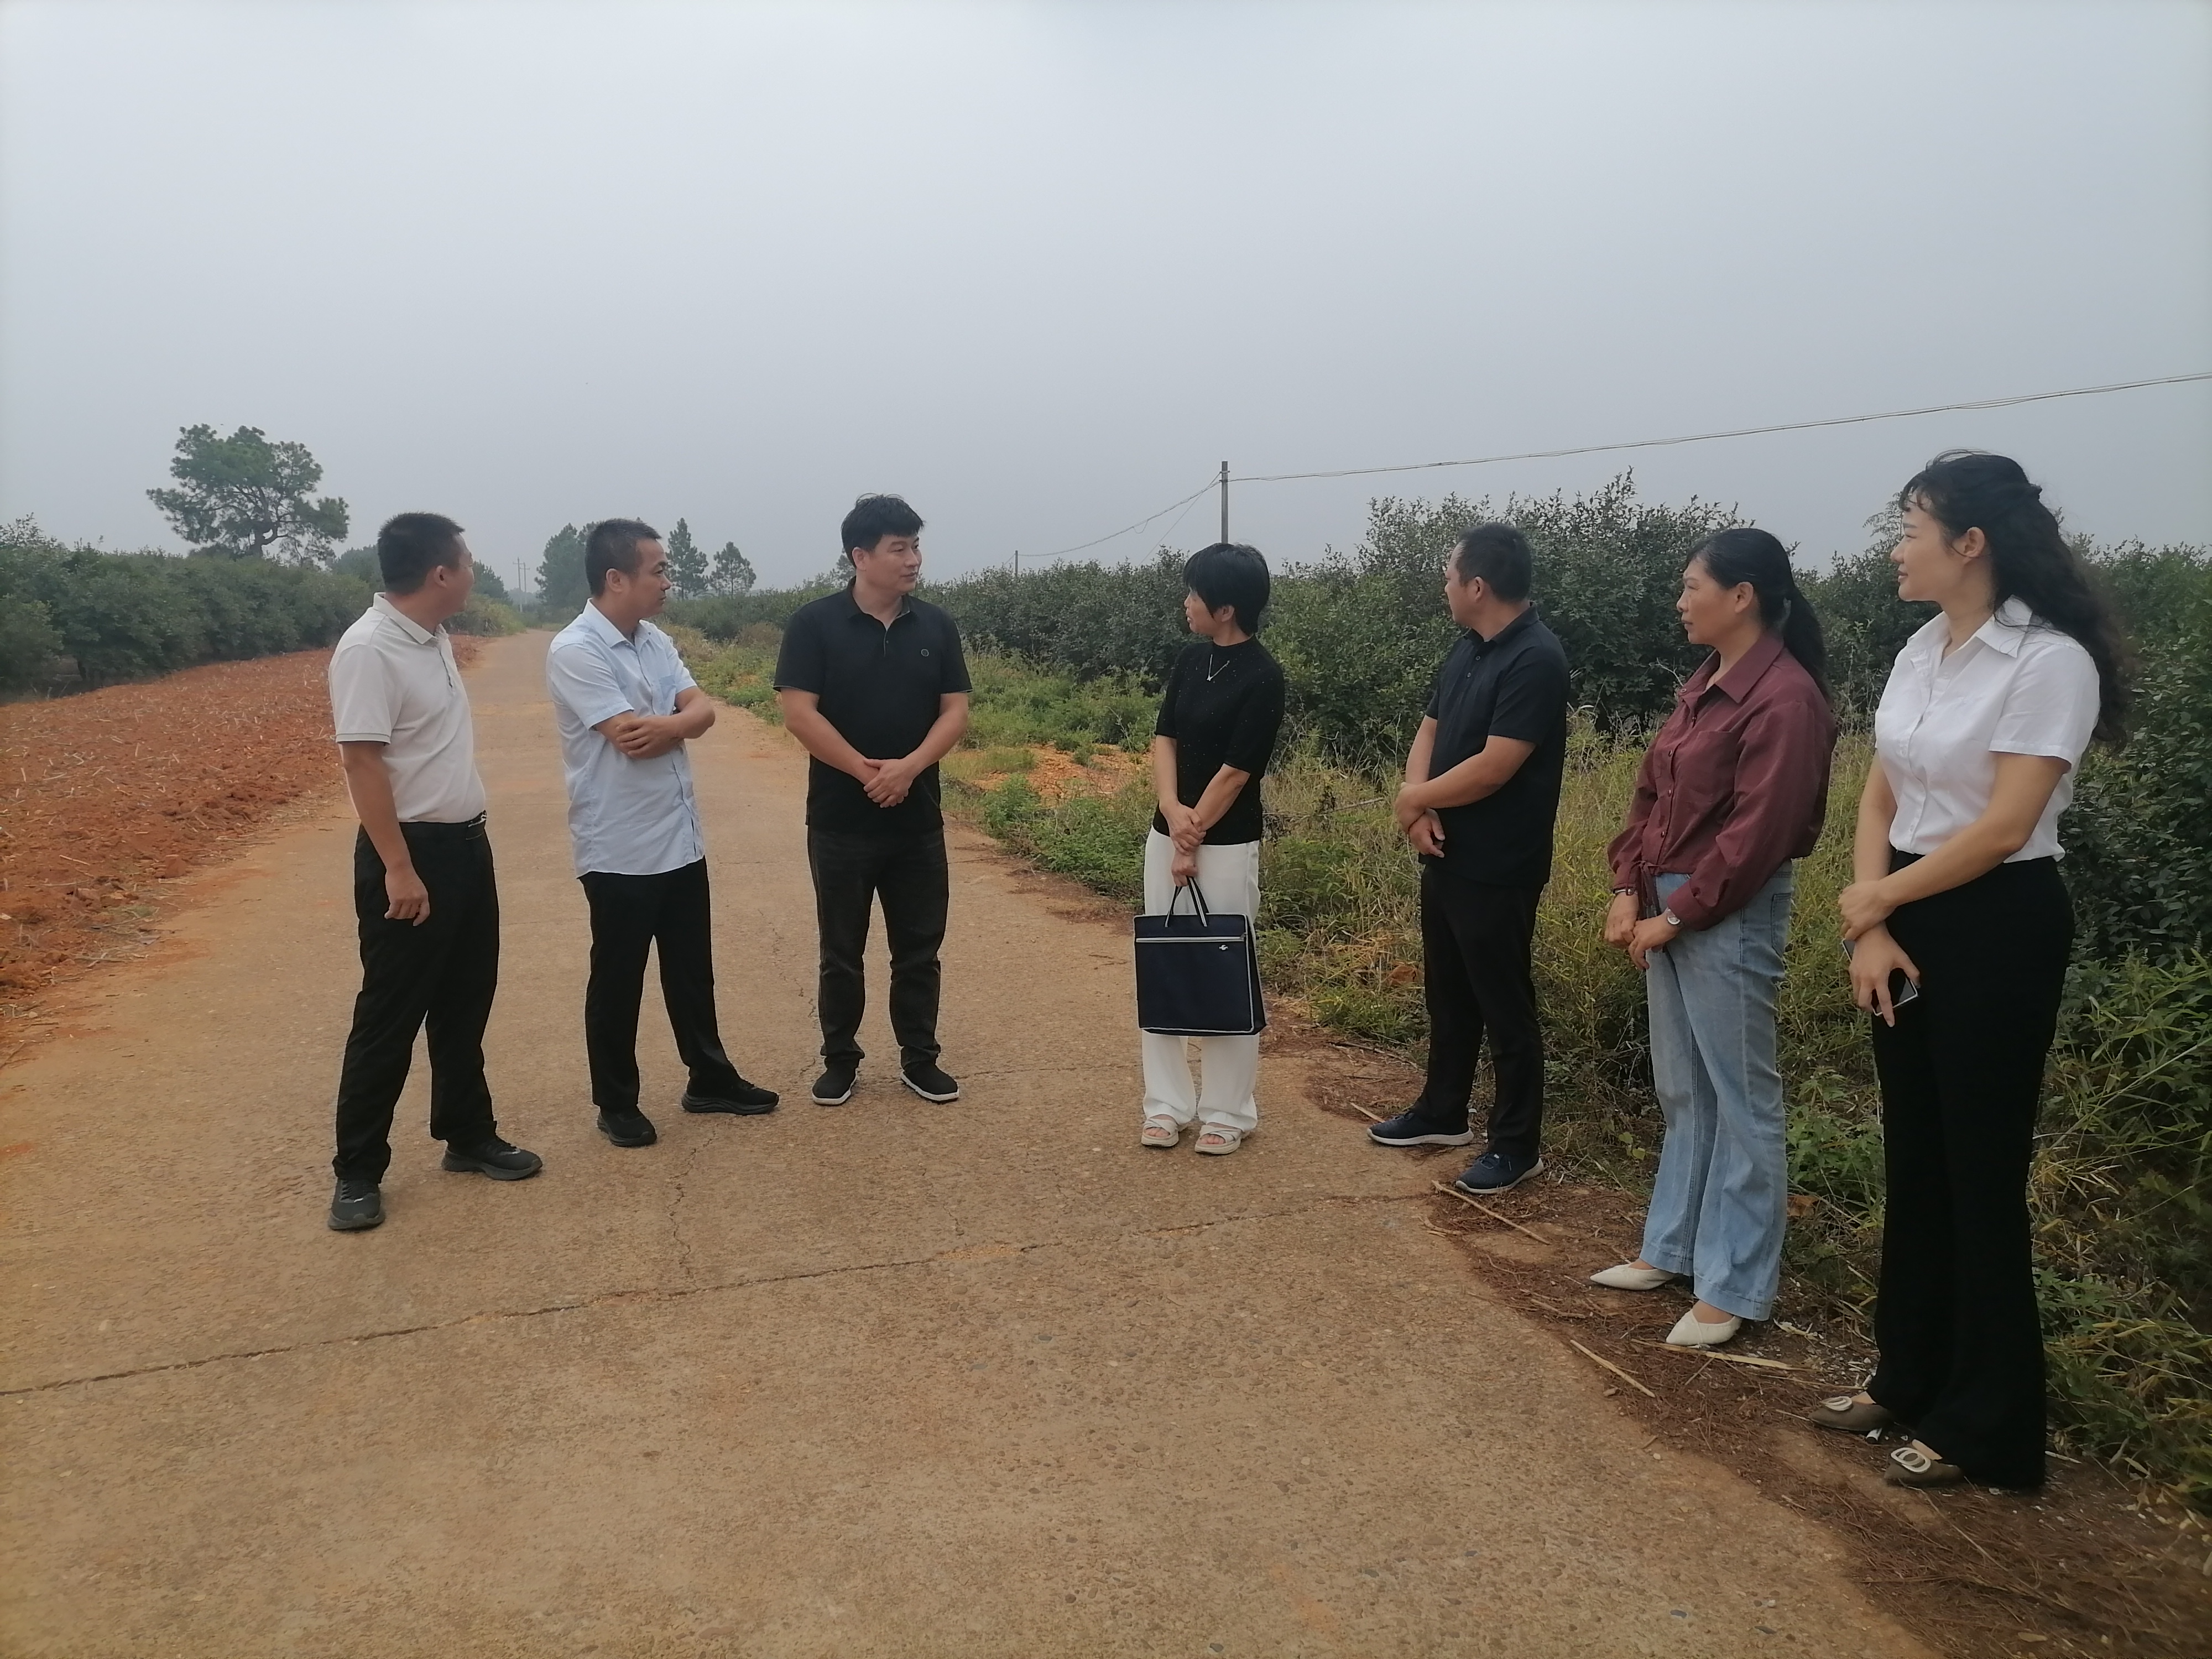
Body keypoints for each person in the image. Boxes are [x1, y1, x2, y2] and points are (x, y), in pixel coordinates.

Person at [1811, 452, 2124, 1491]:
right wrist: (1872, 921)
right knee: (1917, 1157)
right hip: (1904, 914)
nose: (1897, 550)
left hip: (1997, 923)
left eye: (1911, 531)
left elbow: (2003, 828)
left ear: (1971, 543)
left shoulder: (2048, 663)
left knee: (1980, 1170)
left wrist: (1882, 901)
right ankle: (1908, 1375)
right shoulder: (1922, 649)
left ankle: (1990, 1423)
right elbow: (1879, 797)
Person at [1592, 528, 1836, 1347]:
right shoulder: (1705, 684)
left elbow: (1759, 834)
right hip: (1668, 902)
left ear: (1742, 596)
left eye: (1692, 586)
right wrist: (1627, 888)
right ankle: (1671, 1248)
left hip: (1726, 908)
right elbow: (1651, 795)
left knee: (1741, 1097)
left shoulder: (1785, 699)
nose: (1680, 601)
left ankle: (1735, 1284)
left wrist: (1675, 915)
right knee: (1685, 1088)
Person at [324, 513, 540, 1231]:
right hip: (411, 854)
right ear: (440, 573)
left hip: (467, 847)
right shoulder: (369, 649)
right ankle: (358, 1171)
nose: (474, 572)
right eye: (467, 562)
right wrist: (398, 867)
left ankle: (467, 1133)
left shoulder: (433, 636)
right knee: (389, 1017)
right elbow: (362, 762)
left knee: (464, 1002)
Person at [545, 519, 778, 1150]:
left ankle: (709, 1078)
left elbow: (704, 711)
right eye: (658, 571)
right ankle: (616, 1102)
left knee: (691, 970)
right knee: (618, 979)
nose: (668, 582)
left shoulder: (655, 641)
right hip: (618, 845)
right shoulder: (576, 650)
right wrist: (681, 723)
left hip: (678, 836)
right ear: (616, 578)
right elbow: (631, 738)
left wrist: (677, 723)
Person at [1367, 523, 1570, 1194]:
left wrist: (1414, 799)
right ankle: (1442, 1112)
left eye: (1450, 575)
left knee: (1503, 1005)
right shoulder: (1468, 648)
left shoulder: (1536, 659)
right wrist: (1417, 806)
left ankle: (1516, 1145)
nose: (1444, 586)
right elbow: (1429, 730)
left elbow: (1495, 766)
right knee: (1448, 994)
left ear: (1477, 585)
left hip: (1500, 863)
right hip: (1445, 850)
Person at [774, 495, 971, 1108]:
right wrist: (866, 772)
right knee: (841, 952)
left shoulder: (935, 626)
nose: (913, 559)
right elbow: (798, 713)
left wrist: (909, 769)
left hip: (918, 820)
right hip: (840, 822)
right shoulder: (814, 624)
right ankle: (840, 1059)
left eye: (916, 546)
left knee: (920, 951)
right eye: (899, 548)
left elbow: (955, 711)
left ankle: (920, 1057)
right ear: (860, 556)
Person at [1140, 544, 1286, 1156]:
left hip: (1226, 844)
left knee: (1225, 968)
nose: (1186, 603)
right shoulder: (1189, 660)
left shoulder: (1264, 675)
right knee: (1163, 965)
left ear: (1225, 608)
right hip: (1167, 832)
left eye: (1194, 594)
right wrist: (1172, 812)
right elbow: (1165, 738)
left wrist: (1193, 832)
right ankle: (1165, 1105)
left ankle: (1228, 1111)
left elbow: (1236, 772)